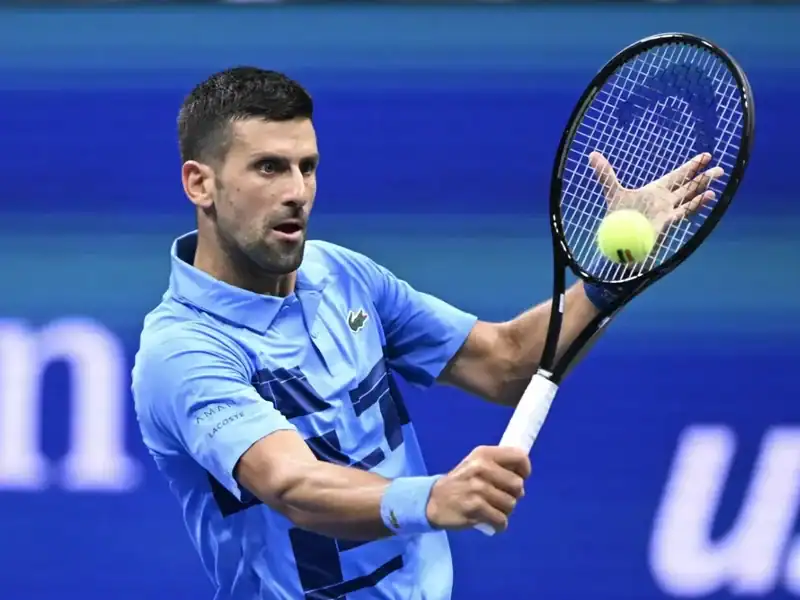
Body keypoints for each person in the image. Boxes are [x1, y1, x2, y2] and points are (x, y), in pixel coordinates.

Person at [132, 67, 718, 600]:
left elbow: (504, 363)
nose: (297, 192)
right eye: (268, 168)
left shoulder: (342, 276)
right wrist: (434, 498)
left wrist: (607, 279)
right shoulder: (182, 350)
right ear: (199, 184)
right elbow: (291, 484)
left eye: (307, 167)